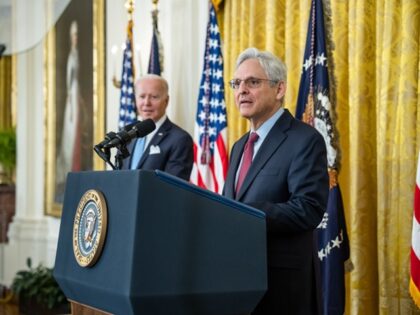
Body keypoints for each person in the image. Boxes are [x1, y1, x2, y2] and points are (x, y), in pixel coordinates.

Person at [223, 47, 329, 314]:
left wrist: (241, 213)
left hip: (282, 286)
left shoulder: (304, 140)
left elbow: (308, 209)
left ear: (279, 89)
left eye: (253, 82)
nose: (242, 90)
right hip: (236, 280)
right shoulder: (238, 147)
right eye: (236, 83)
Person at [121, 74, 193, 181]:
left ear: (166, 101)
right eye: (142, 96)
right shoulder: (127, 136)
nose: (146, 103)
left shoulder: (180, 139)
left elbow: (173, 187)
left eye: (154, 97)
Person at [56, 20, 82, 200]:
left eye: (77, 35)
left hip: (76, 93)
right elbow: (69, 80)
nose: (76, 38)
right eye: (74, 35)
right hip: (71, 96)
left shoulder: (77, 53)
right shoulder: (71, 57)